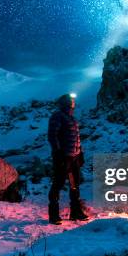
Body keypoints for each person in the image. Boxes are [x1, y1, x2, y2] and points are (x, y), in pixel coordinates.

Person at [47, 93, 88, 224]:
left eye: (73, 103)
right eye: (70, 103)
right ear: (65, 104)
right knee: (58, 183)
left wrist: (80, 153)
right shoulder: (57, 116)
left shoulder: (72, 119)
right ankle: (53, 214)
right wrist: (58, 153)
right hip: (63, 157)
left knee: (75, 184)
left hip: (74, 157)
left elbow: (77, 138)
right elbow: (52, 135)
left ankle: (75, 212)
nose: (72, 105)